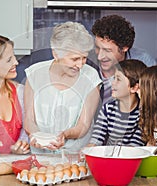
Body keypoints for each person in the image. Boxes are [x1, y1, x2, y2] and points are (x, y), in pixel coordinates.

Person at [24, 21, 102, 154]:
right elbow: (29, 119)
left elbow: (83, 125)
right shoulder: (34, 74)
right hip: (40, 156)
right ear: (56, 54)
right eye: (74, 59)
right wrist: (36, 135)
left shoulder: (91, 77)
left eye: (84, 58)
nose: (80, 64)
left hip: (75, 157)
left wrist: (64, 135)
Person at [91, 14, 157, 104]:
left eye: (107, 50)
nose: (100, 56)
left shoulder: (144, 61)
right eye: (97, 48)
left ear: (124, 48)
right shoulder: (85, 61)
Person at [89, 59, 147, 147]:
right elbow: (96, 139)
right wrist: (89, 149)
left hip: (130, 157)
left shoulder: (143, 113)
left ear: (134, 88)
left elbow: (135, 146)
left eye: (118, 79)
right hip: (110, 157)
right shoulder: (107, 109)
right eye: (113, 78)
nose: (113, 83)